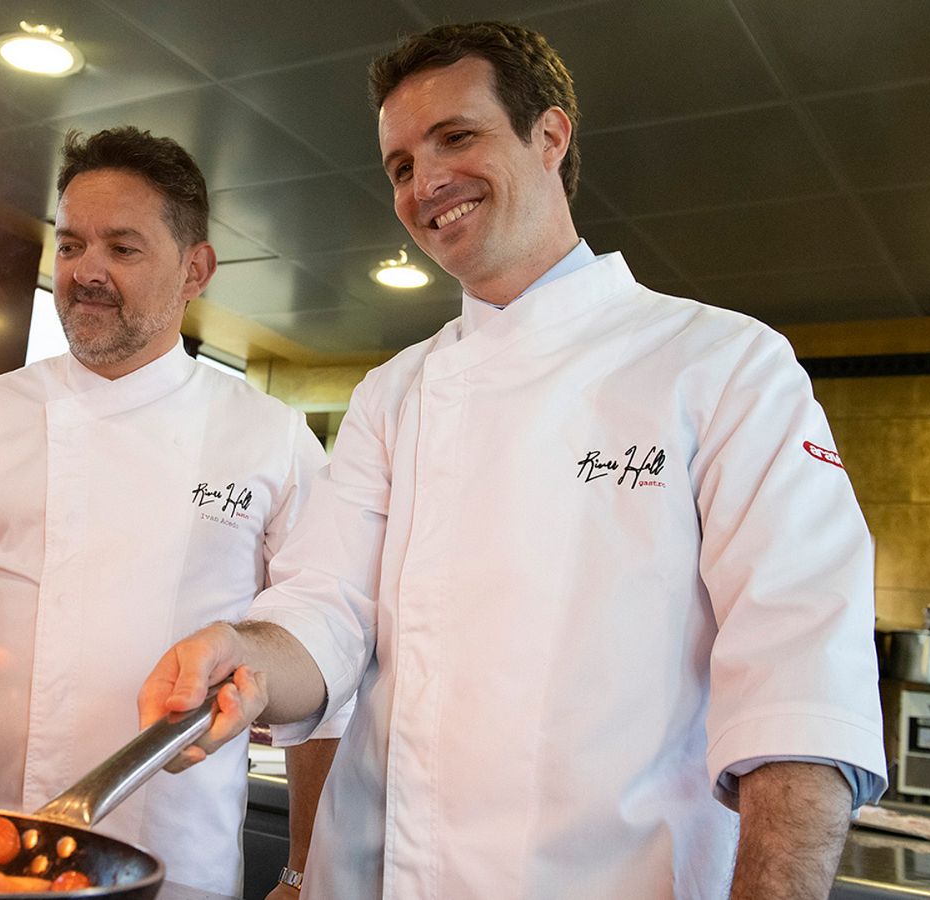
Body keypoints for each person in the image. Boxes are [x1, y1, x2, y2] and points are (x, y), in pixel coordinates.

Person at [139, 21, 885, 900]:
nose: (426, 182)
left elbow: (799, 677)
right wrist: (244, 656)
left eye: (456, 136)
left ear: (550, 137)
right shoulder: (395, 391)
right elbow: (324, 609)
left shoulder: (721, 363)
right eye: (401, 165)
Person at [0, 127, 342, 896]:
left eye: (123, 248)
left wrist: (303, 872)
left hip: (180, 869)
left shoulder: (271, 441)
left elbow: (325, 680)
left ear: (196, 269)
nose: (86, 272)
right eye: (73, 245)